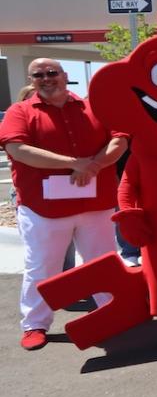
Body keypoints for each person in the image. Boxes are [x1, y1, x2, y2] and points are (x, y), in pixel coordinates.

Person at [0, 58, 127, 351]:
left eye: (52, 73)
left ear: (64, 75)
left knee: (104, 262)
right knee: (43, 267)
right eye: (39, 75)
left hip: (96, 204)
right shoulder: (20, 112)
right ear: (32, 80)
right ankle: (35, 324)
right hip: (44, 209)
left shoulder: (95, 106)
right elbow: (18, 150)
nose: (46, 78)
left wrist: (93, 166)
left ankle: (115, 312)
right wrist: (76, 164)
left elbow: (120, 140)